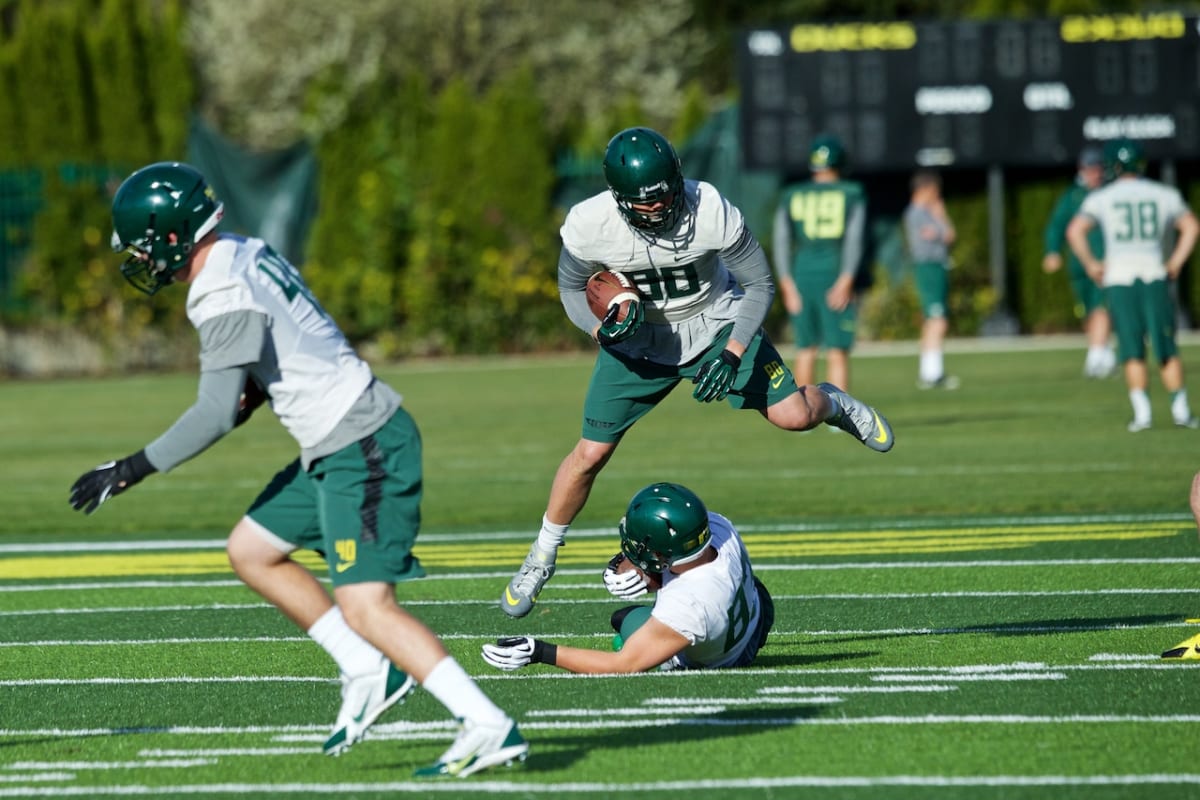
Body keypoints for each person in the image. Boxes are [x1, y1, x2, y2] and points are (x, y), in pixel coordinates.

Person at [67, 162, 527, 778]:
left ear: (171, 236)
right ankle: (366, 667)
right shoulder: (240, 250)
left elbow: (215, 413)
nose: (144, 262)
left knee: (367, 605)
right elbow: (272, 363)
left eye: (145, 248)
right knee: (251, 550)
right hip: (337, 440)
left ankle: (487, 724)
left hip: (361, 442)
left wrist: (130, 469)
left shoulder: (218, 288)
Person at [499, 127, 894, 619]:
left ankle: (834, 402)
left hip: (714, 321)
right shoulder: (589, 222)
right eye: (644, 203)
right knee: (589, 453)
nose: (659, 208)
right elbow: (571, 289)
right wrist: (601, 333)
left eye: (666, 193)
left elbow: (760, 283)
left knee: (793, 414)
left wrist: (731, 352)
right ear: (618, 198)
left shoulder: (709, 208)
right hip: (641, 341)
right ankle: (541, 558)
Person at [484, 482, 773, 673]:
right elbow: (682, 567)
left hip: (725, 656)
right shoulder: (719, 529)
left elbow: (622, 665)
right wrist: (650, 578)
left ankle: (670, 659)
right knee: (634, 616)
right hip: (758, 611)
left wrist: (540, 651)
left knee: (624, 622)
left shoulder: (689, 605)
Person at [1066, 139, 1200, 432]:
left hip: (1120, 276)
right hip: (1153, 273)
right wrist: (1175, 261)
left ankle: (1143, 414)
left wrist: (1091, 263)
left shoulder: (1103, 197)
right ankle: (1180, 409)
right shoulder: (1163, 193)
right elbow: (1191, 226)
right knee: (1165, 345)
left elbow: (1075, 230)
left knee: (1131, 348)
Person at [772, 133, 868, 391]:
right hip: (834, 272)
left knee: (805, 348)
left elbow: (781, 241)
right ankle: (842, 414)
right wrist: (847, 279)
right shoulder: (851, 193)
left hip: (801, 275)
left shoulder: (792, 194)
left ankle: (804, 412)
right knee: (837, 349)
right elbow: (854, 240)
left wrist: (787, 285)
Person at [1042, 146, 1115, 379]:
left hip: (1107, 262)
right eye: (1090, 169)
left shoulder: (1110, 193)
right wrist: (1052, 251)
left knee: (1101, 308)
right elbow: (1057, 226)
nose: (1095, 174)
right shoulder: (1073, 196)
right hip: (1080, 264)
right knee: (1087, 313)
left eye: (1098, 169)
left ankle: (1095, 358)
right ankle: (1103, 352)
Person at [903, 169, 960, 390]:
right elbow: (948, 235)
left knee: (931, 321)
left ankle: (929, 372)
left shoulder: (923, 212)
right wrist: (941, 215)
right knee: (938, 320)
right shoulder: (918, 213)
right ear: (925, 190)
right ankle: (933, 373)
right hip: (928, 267)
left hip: (933, 267)